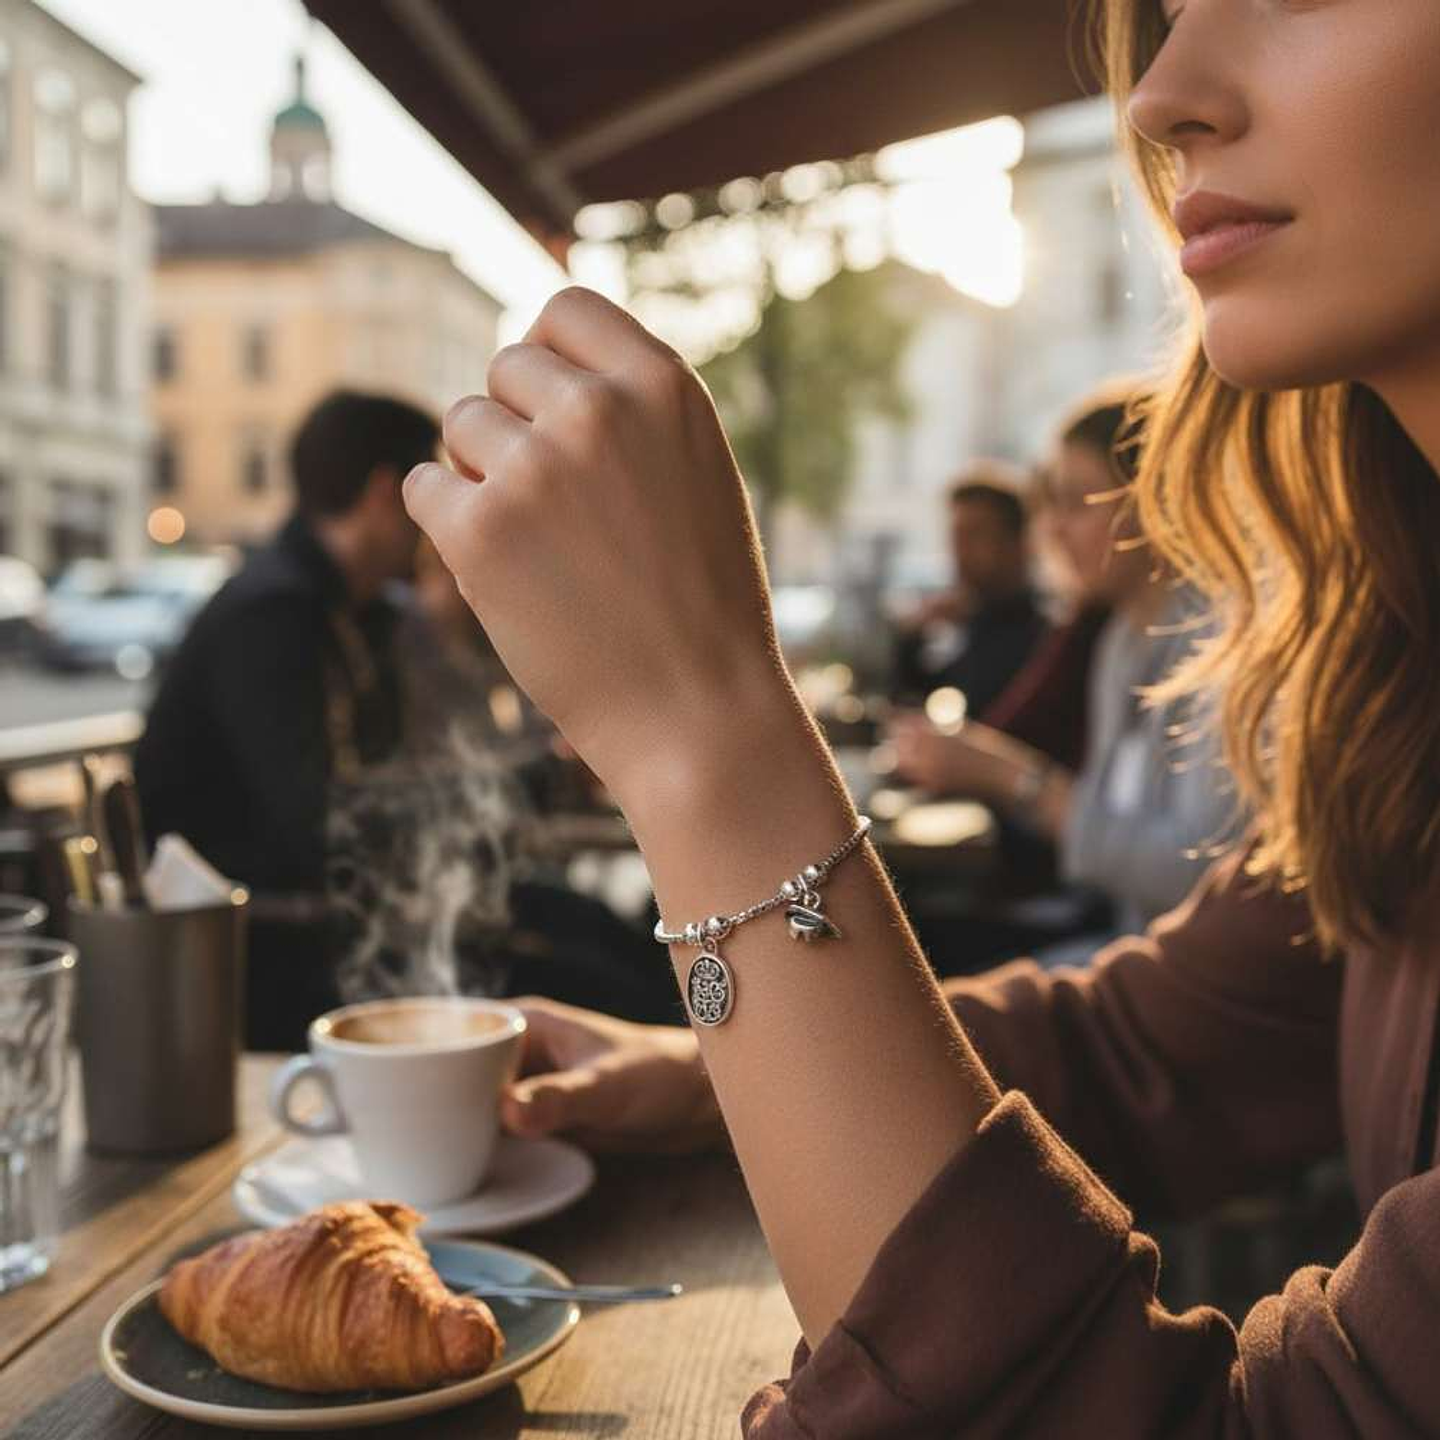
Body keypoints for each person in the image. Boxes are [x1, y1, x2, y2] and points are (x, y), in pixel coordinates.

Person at [403, 0, 1440, 1427]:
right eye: (1171, 8)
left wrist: (702, 732)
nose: (1163, 96)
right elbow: (1144, 1053)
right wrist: (705, 1077)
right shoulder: (1402, 679)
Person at [136, 390, 442, 1050]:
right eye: (433, 489)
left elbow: (386, 779)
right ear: (387, 493)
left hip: (347, 921)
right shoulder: (271, 616)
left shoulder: (356, 611)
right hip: (266, 954)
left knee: (592, 938)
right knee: (590, 972)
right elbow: (318, 826)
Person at [890, 386, 1242, 951]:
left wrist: (1014, 781)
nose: (1052, 529)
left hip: (1170, 972)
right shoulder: (1122, 640)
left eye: (1077, 501)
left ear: (1155, 499)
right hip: (1124, 945)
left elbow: (1193, 875)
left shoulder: (1219, 647)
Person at [891, 465, 1048, 715]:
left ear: (1016, 542)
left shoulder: (1045, 636)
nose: (959, 551)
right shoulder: (970, 624)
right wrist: (913, 637)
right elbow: (916, 701)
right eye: (955, 536)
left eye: (974, 534)